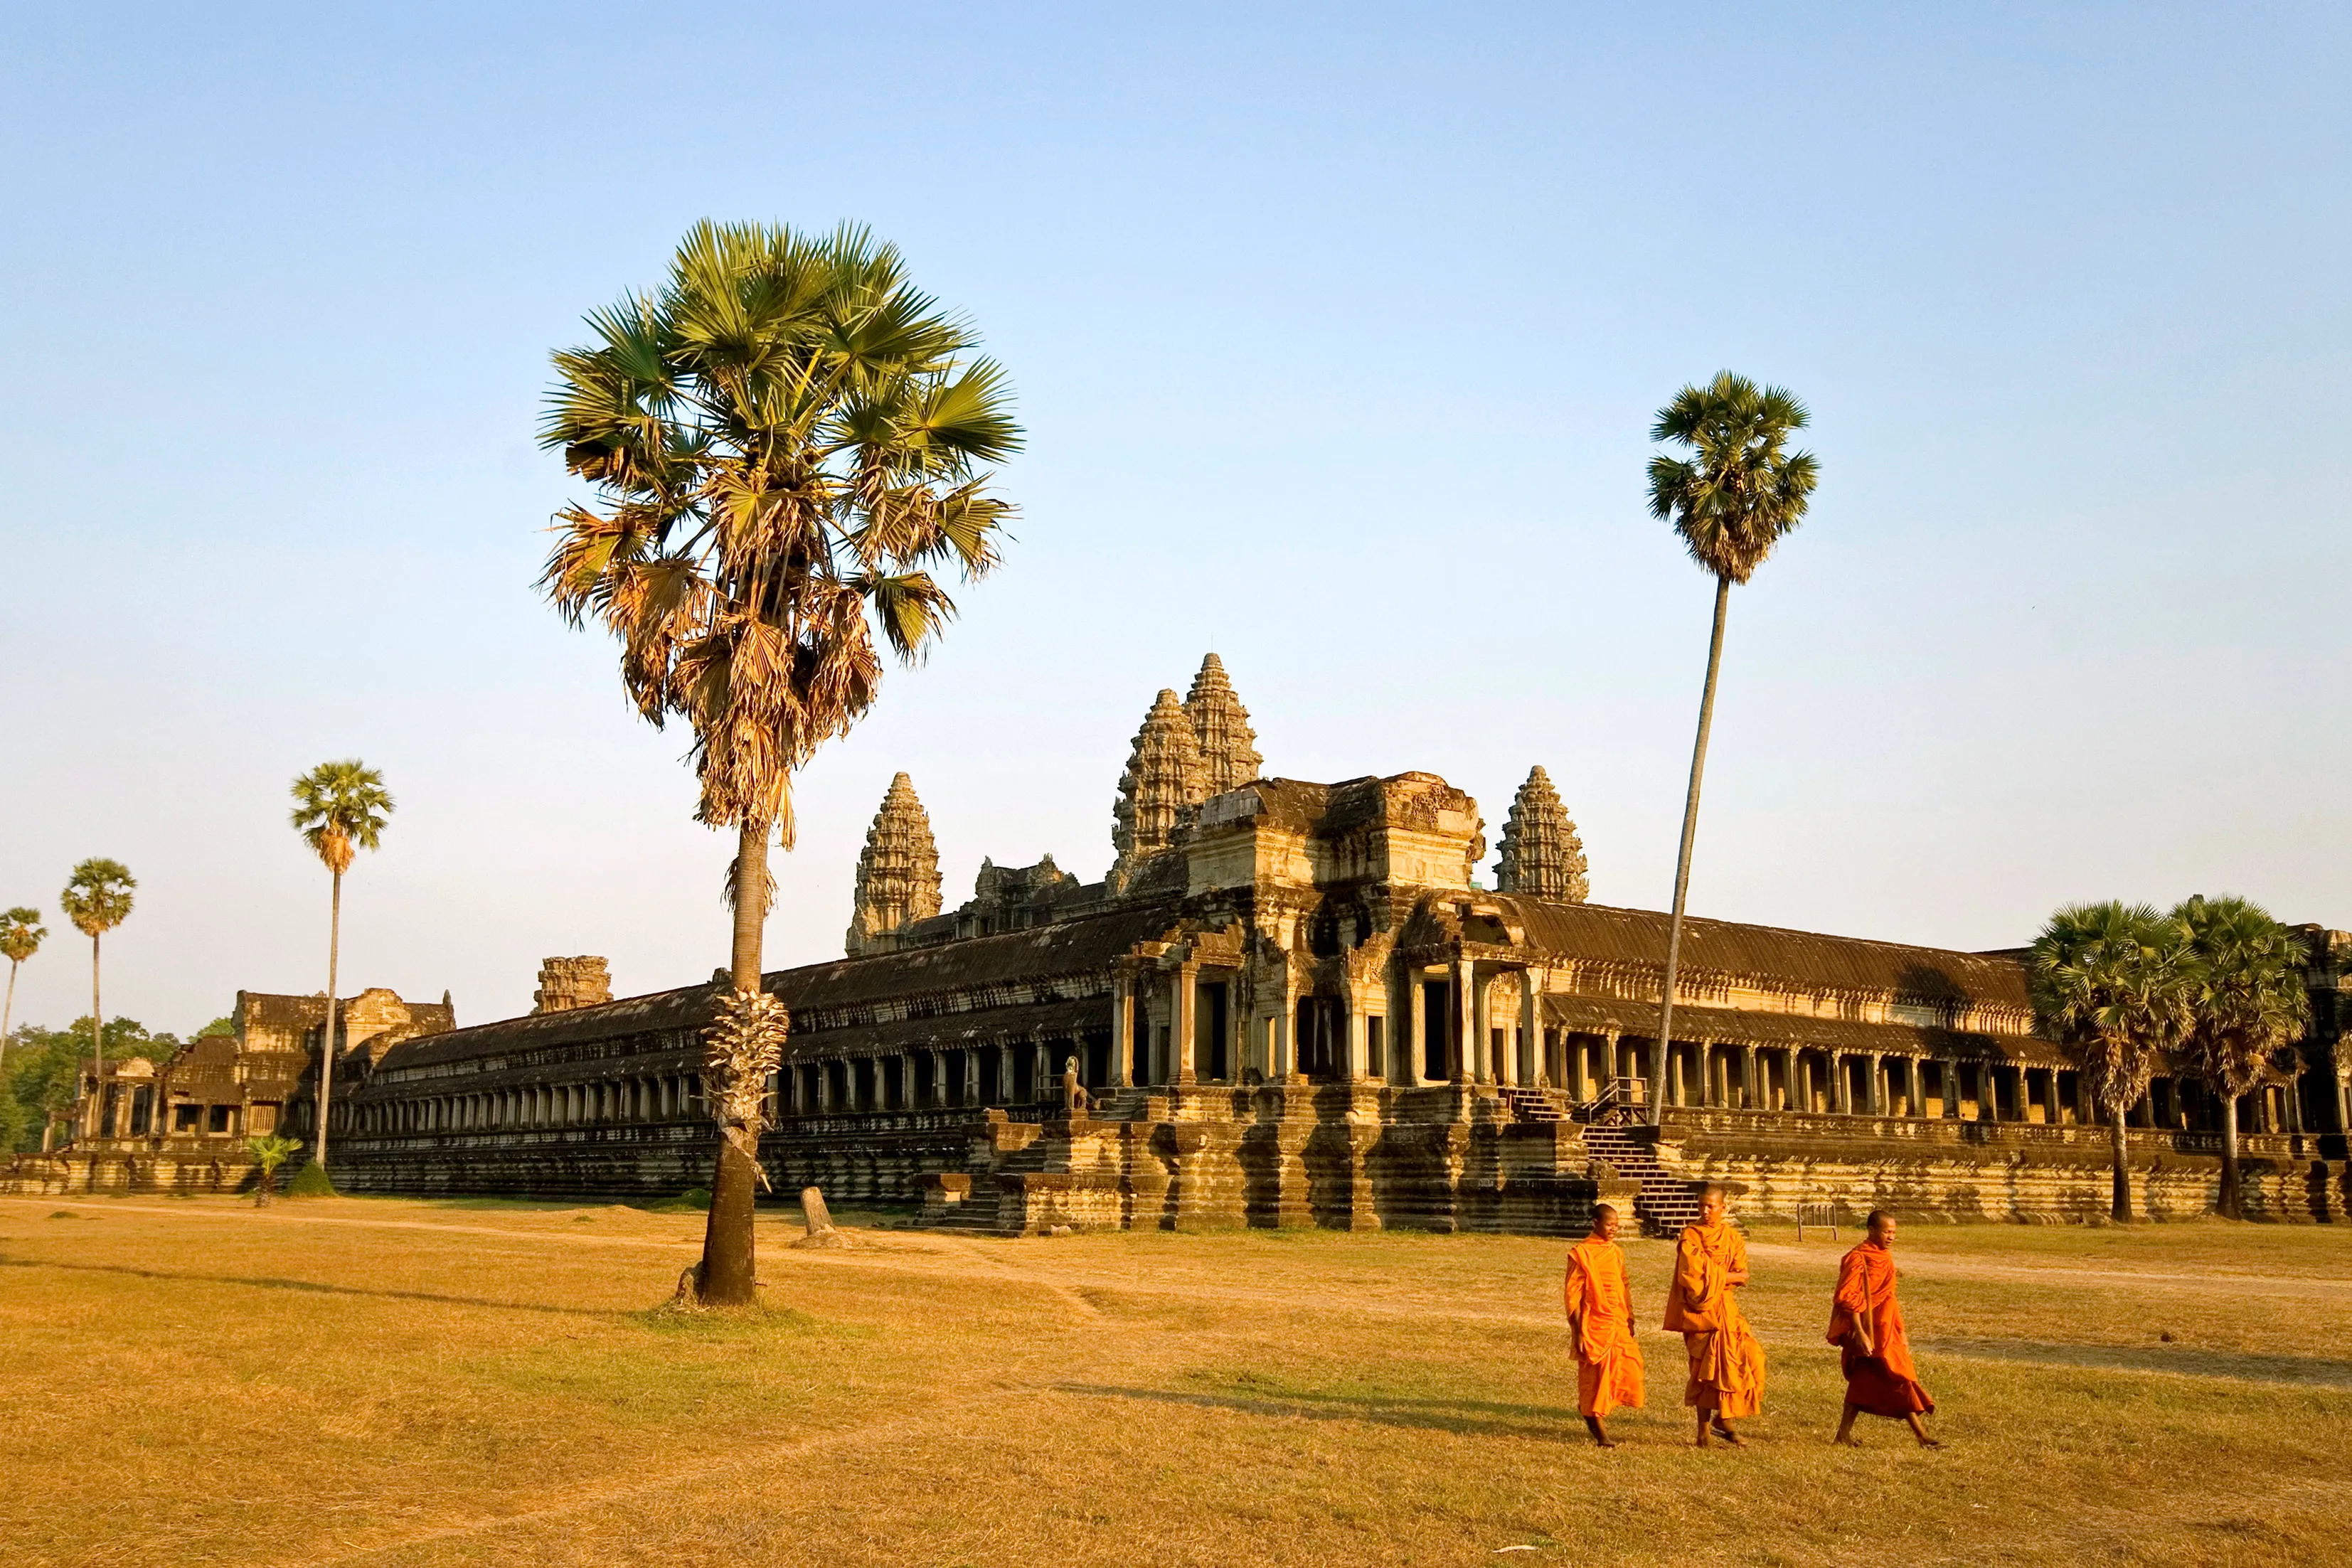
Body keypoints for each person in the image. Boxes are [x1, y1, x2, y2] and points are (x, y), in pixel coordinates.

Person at [1662, 1183, 1765, 1448]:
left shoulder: (1732, 1238)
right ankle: (1703, 1432)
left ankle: (1725, 1418)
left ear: (1723, 1208)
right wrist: (1727, 1277)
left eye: (1711, 1206)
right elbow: (1692, 1277)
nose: (1706, 1211)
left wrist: (1718, 1277)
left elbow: (1744, 1274)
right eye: (1701, 1206)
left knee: (1750, 1356)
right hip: (1700, 1311)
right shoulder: (1691, 1236)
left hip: (1726, 1309)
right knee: (1704, 1371)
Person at [1829, 1210, 1939, 1449]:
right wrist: (1860, 1334)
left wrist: (1902, 1331)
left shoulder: (1885, 1257)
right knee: (1900, 1378)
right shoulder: (1857, 1258)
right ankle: (1923, 1437)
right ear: (1871, 1231)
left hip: (1886, 1328)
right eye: (1886, 1232)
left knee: (1869, 1382)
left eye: (1894, 1233)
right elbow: (1849, 1299)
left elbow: (1890, 1297)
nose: (1891, 1237)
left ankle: (1842, 1436)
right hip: (1867, 1330)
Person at [1562, 1202, 1645, 1446]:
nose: (1613, 1229)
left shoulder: (1616, 1252)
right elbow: (1573, 1296)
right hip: (1593, 1323)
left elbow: (1623, 1285)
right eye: (1609, 1224)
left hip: (1617, 1321)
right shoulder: (1581, 1254)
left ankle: (1593, 1409)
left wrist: (1629, 1315)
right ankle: (1598, 1428)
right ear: (1595, 1223)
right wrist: (1577, 1332)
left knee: (1631, 1366)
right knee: (1595, 1378)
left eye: (1617, 1225)